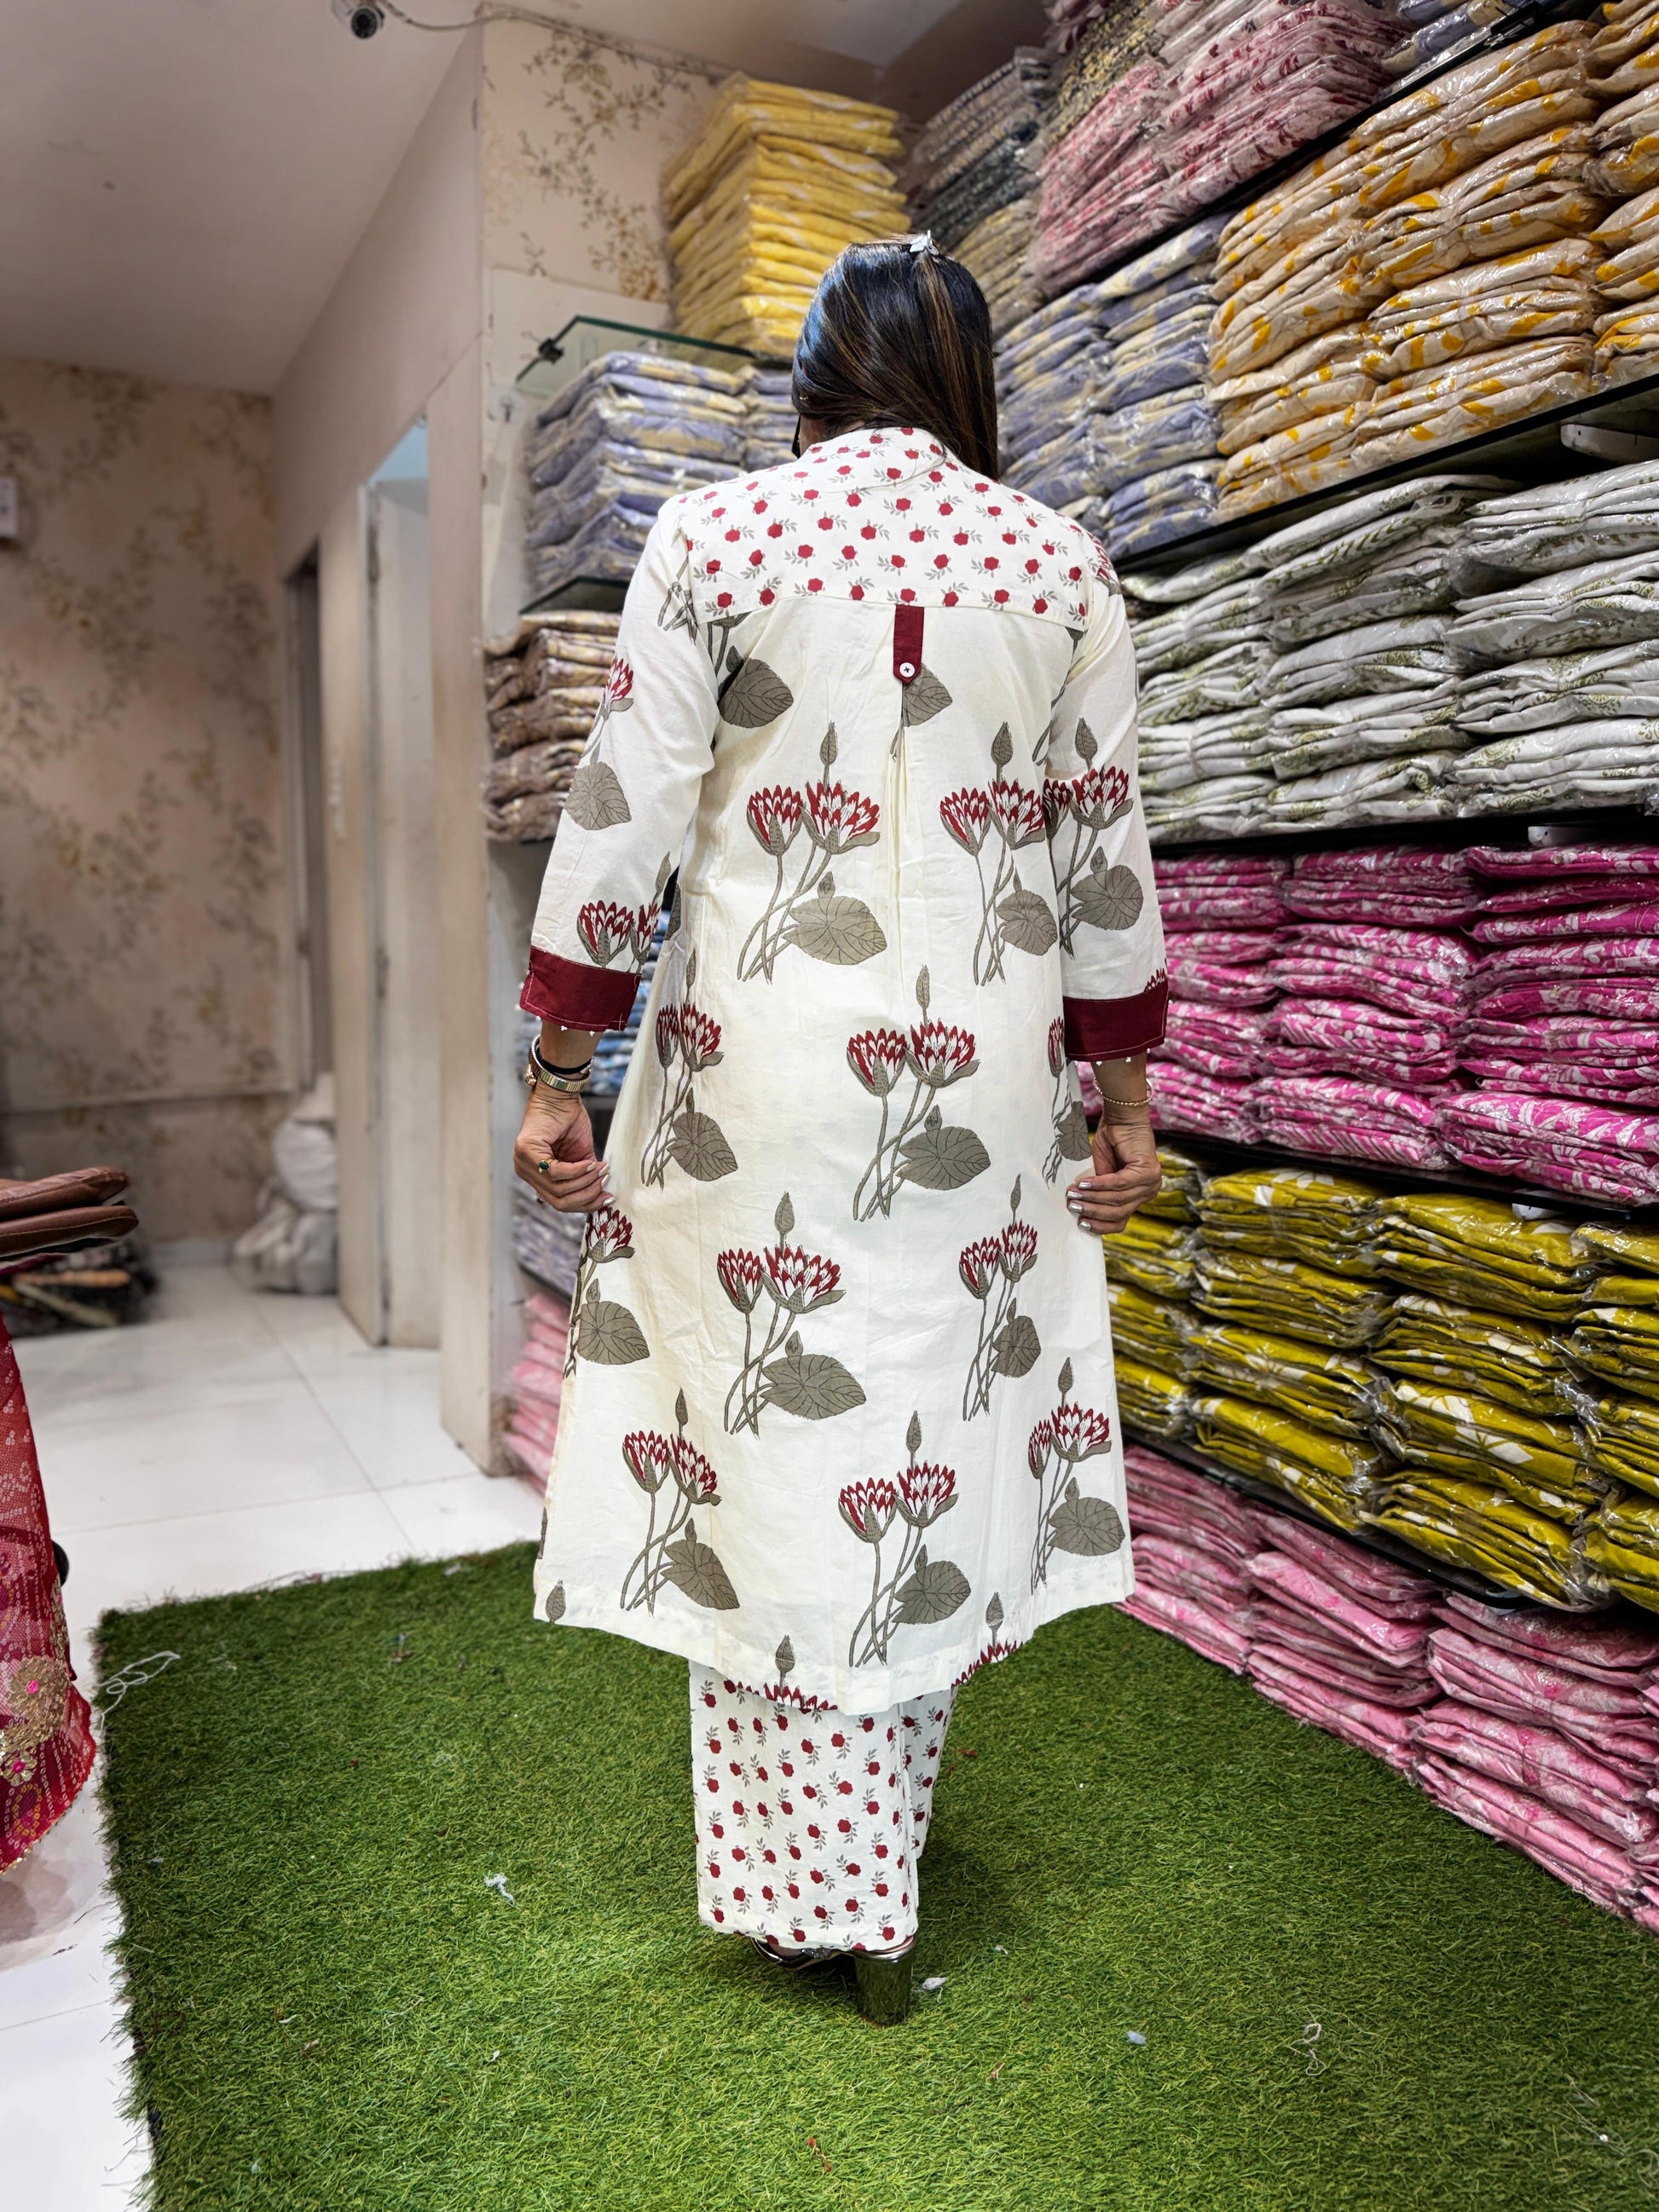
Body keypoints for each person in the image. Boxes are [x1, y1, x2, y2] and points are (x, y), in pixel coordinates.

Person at [512, 235, 1166, 2023]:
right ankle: (873, 1871)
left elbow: (622, 820)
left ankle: (823, 1886)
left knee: (763, 1455)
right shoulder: (1059, 568)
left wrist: (559, 1067)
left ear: (811, 387)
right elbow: (1102, 860)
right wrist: (1124, 1101)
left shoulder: (714, 540)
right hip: (982, 1093)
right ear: (967, 386)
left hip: (755, 1079)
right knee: (923, 1450)